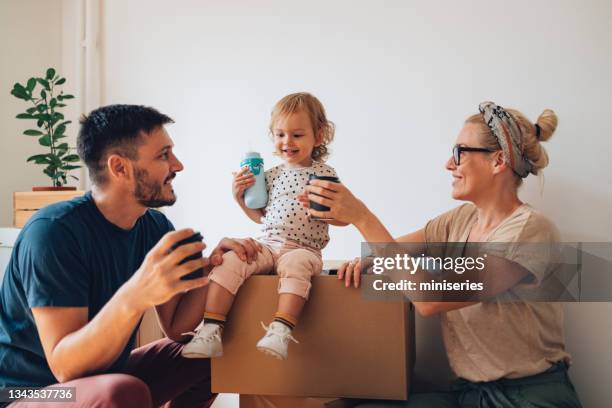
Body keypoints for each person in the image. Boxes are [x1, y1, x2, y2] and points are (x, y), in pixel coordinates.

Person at [301, 102, 583, 407]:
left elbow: (429, 298)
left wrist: (363, 218)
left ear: (498, 160)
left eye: (460, 152)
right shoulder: (459, 221)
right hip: (469, 395)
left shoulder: (529, 230)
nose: (450, 164)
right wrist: (358, 247)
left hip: (529, 398)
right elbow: (389, 251)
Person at [0, 104, 261, 407]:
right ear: (120, 167)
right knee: (120, 392)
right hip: (25, 392)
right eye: (164, 155)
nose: (178, 165)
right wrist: (136, 294)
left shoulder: (155, 227)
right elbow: (65, 368)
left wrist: (216, 267)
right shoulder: (53, 233)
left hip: (103, 375)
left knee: (210, 355)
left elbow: (178, 328)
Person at [182, 92, 346, 361]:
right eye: (280, 134)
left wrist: (321, 211)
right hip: (268, 244)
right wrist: (239, 199)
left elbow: (343, 218)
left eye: (297, 135)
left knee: (296, 267)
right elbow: (262, 217)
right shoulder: (271, 176)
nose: (287, 142)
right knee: (233, 258)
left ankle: (281, 329)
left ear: (318, 136)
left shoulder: (324, 174)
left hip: (303, 249)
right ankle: (211, 329)